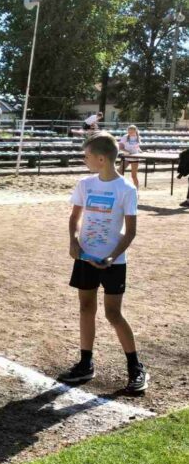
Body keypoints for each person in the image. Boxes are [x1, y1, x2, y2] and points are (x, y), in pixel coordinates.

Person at [59, 132, 148, 393]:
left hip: (114, 262)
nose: (84, 160)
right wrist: (73, 242)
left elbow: (130, 231)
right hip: (86, 258)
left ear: (101, 159)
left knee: (113, 313)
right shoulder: (85, 184)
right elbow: (74, 217)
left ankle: (135, 368)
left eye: (86, 156)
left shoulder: (126, 189)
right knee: (86, 308)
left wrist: (112, 256)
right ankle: (85, 364)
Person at [118, 125, 141, 190]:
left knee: (134, 176)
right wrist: (127, 152)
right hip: (126, 157)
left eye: (132, 131)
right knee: (119, 172)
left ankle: (136, 190)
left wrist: (140, 151)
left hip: (135, 158)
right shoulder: (125, 137)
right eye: (129, 131)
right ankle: (121, 187)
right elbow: (120, 147)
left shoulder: (138, 137)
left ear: (135, 131)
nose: (130, 133)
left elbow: (137, 147)